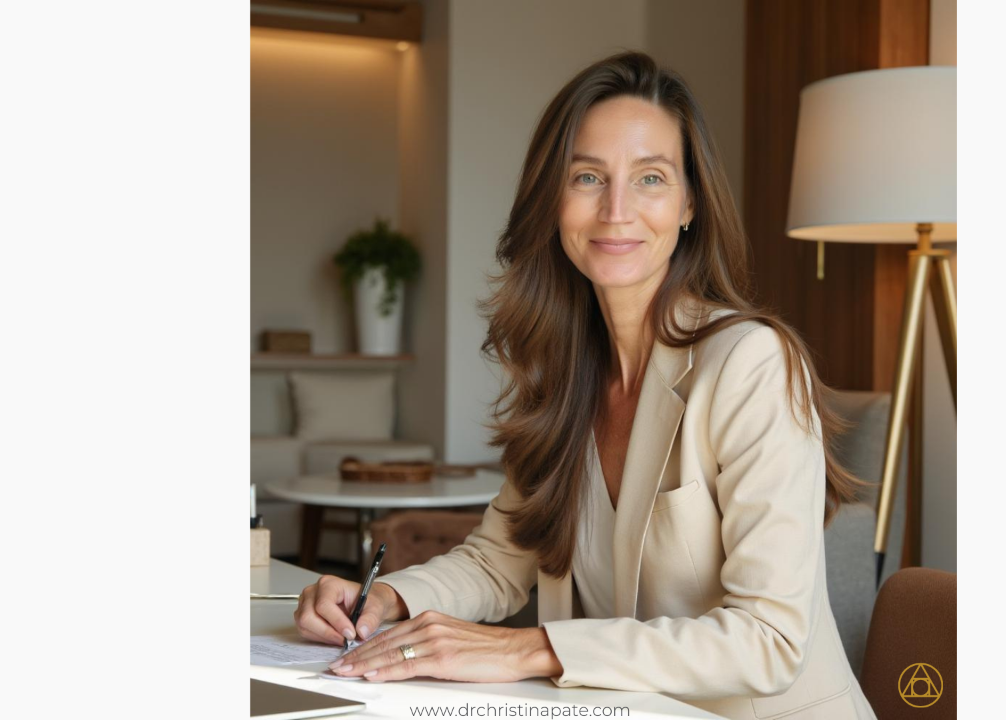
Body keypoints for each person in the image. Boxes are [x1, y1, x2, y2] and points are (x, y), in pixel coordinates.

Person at [294, 51, 878, 720]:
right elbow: (498, 562)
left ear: (690, 204)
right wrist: (387, 599)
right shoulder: (563, 375)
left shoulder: (750, 363)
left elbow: (767, 642)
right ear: (554, 200)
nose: (617, 209)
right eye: (588, 177)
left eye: (651, 177)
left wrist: (526, 649)